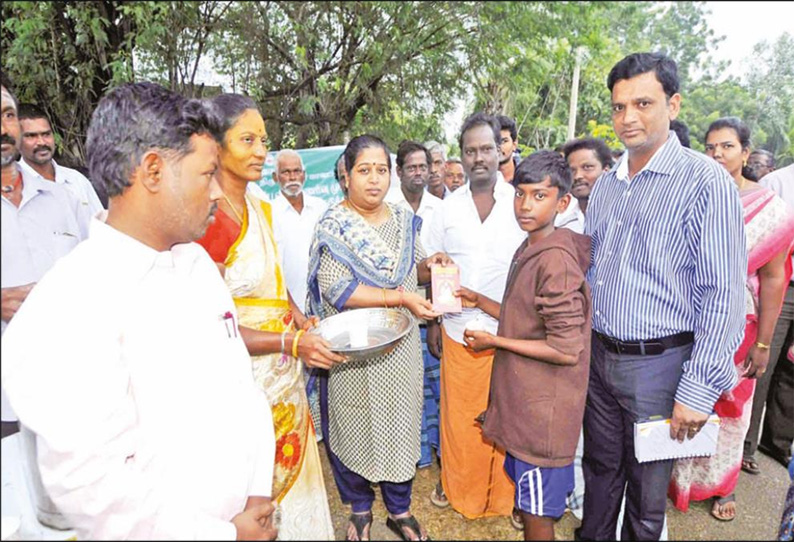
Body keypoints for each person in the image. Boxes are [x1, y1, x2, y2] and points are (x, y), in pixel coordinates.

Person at [2, 81, 279, 540]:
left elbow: (242, 390)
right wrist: (226, 536)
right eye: (206, 174)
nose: (216, 193)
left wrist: (253, 494)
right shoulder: (69, 305)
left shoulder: (194, 264)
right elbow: (98, 495)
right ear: (152, 171)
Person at [579, 52, 747, 541]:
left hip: (660, 369)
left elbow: (723, 294)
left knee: (647, 499)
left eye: (642, 103)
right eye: (618, 107)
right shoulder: (608, 185)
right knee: (599, 476)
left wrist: (698, 389)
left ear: (672, 105)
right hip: (600, 360)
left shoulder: (705, 182)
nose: (627, 117)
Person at [195, 93, 339, 540]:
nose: (261, 150)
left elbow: (275, 287)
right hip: (244, 377)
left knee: (296, 481)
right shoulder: (211, 219)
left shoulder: (260, 205)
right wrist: (292, 344)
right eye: (247, 139)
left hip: (283, 371)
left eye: (264, 140)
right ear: (215, 145)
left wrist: (299, 320)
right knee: (254, 488)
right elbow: (209, 326)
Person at [306, 134, 448, 541]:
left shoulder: (403, 220)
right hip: (350, 350)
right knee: (352, 427)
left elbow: (411, 269)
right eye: (364, 171)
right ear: (345, 175)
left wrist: (431, 265)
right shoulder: (336, 224)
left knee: (400, 424)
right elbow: (338, 289)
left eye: (381, 170)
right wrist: (402, 296)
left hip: (398, 348)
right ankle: (360, 509)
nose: (374, 180)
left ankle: (399, 511)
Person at [460, 150, 591, 541]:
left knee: (537, 518)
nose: (525, 205)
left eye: (539, 196)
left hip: (542, 420)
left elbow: (567, 348)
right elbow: (527, 320)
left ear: (562, 202)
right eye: (520, 194)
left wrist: (494, 341)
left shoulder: (556, 261)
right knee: (530, 504)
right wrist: (479, 299)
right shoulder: (531, 246)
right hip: (527, 407)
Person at [669, 117, 794, 521]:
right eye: (710, 147)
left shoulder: (769, 209)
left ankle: (722, 485)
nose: (717, 154)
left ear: (745, 151)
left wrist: (763, 344)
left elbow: (774, 279)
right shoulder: (691, 195)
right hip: (686, 314)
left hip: (742, 323)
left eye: (726, 146)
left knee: (731, 406)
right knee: (684, 395)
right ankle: (678, 480)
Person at [425, 112, 526, 522]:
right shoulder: (447, 210)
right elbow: (430, 262)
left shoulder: (522, 201)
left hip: (509, 334)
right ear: (461, 157)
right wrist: (434, 321)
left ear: (502, 150)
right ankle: (459, 487)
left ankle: (506, 497)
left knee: (507, 419)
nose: (479, 157)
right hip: (458, 330)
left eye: (487, 148)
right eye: (470, 151)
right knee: (460, 418)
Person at [1, 78, 91, 529]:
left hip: (70, 392)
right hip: (5, 406)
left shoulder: (63, 199)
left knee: (74, 520)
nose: (4, 128)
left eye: (8, 115)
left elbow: (100, 273)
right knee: (15, 519)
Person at [386, 140, 443, 469]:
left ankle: (436, 449)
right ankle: (413, 456)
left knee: (435, 389)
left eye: (425, 166)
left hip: (433, 314)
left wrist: (436, 320)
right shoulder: (389, 209)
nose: (421, 172)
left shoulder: (440, 207)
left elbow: (442, 270)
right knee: (406, 391)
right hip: (398, 314)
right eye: (413, 167)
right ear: (400, 171)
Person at [744, 160, 794, 476]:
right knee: (764, 361)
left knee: (791, 368)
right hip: (782, 285)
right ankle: (746, 447)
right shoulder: (778, 182)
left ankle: (777, 443)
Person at [16, 103, 103, 217]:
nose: (42, 142)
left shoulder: (76, 181)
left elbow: (102, 226)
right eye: (31, 136)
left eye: (46, 134)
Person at [271, 149, 329, 314]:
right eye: (286, 172)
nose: (292, 177)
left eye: (296, 171)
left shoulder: (321, 207)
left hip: (325, 303)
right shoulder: (269, 213)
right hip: (288, 307)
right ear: (275, 177)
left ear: (304, 175)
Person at [554, 137, 613, 235]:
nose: (577, 176)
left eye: (587, 167)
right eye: (572, 170)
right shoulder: (563, 224)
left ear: (606, 170)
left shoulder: (621, 220)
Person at [496, 115, 521, 183]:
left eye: (504, 141)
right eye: (493, 141)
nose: (498, 147)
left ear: (514, 144)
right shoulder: (479, 179)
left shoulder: (527, 177)